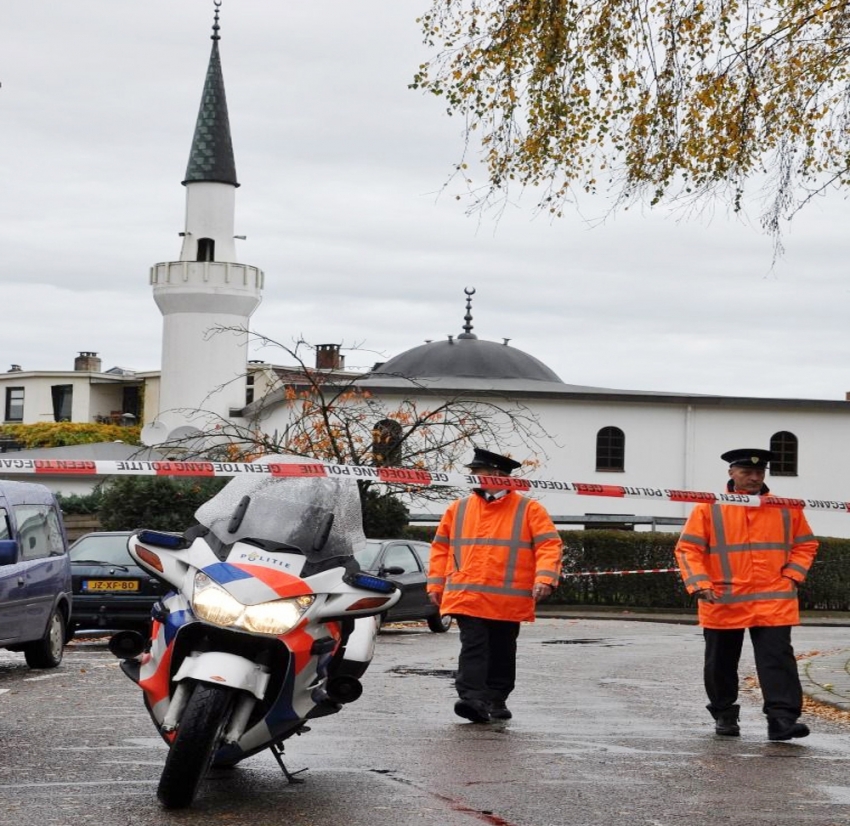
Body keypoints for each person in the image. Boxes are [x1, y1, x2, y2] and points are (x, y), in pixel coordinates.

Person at [674, 448, 819, 741]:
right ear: (731, 473)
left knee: (777, 659)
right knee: (720, 662)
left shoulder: (786, 507)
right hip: (722, 597)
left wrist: (792, 575)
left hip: (773, 598)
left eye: (759, 472)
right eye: (746, 472)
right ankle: (724, 714)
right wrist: (699, 584)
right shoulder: (709, 507)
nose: (754, 478)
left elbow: (806, 544)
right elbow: (688, 548)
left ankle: (782, 721)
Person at [427, 447, 563, 723]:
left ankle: (496, 699)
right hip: (467, 595)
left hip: (507, 599)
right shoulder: (458, 509)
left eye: (477, 472)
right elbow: (440, 549)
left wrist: (546, 578)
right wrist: (435, 585)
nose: (472, 477)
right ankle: (472, 699)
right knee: (473, 646)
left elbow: (549, 545)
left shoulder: (529, 509)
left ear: (497, 476)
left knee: (502, 649)